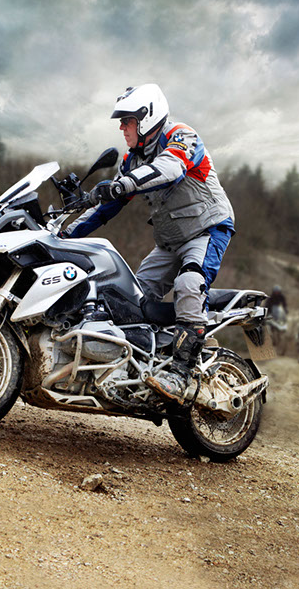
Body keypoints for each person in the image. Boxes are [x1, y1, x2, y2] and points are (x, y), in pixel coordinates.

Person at [66, 84, 235, 403]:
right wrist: (65, 234)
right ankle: (144, 367)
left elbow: (171, 168)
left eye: (127, 120)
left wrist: (122, 185)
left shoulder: (181, 136)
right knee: (132, 299)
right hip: (169, 243)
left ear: (147, 117)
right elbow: (106, 208)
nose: (121, 127)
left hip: (206, 230)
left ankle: (181, 374)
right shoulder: (132, 161)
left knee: (189, 284)